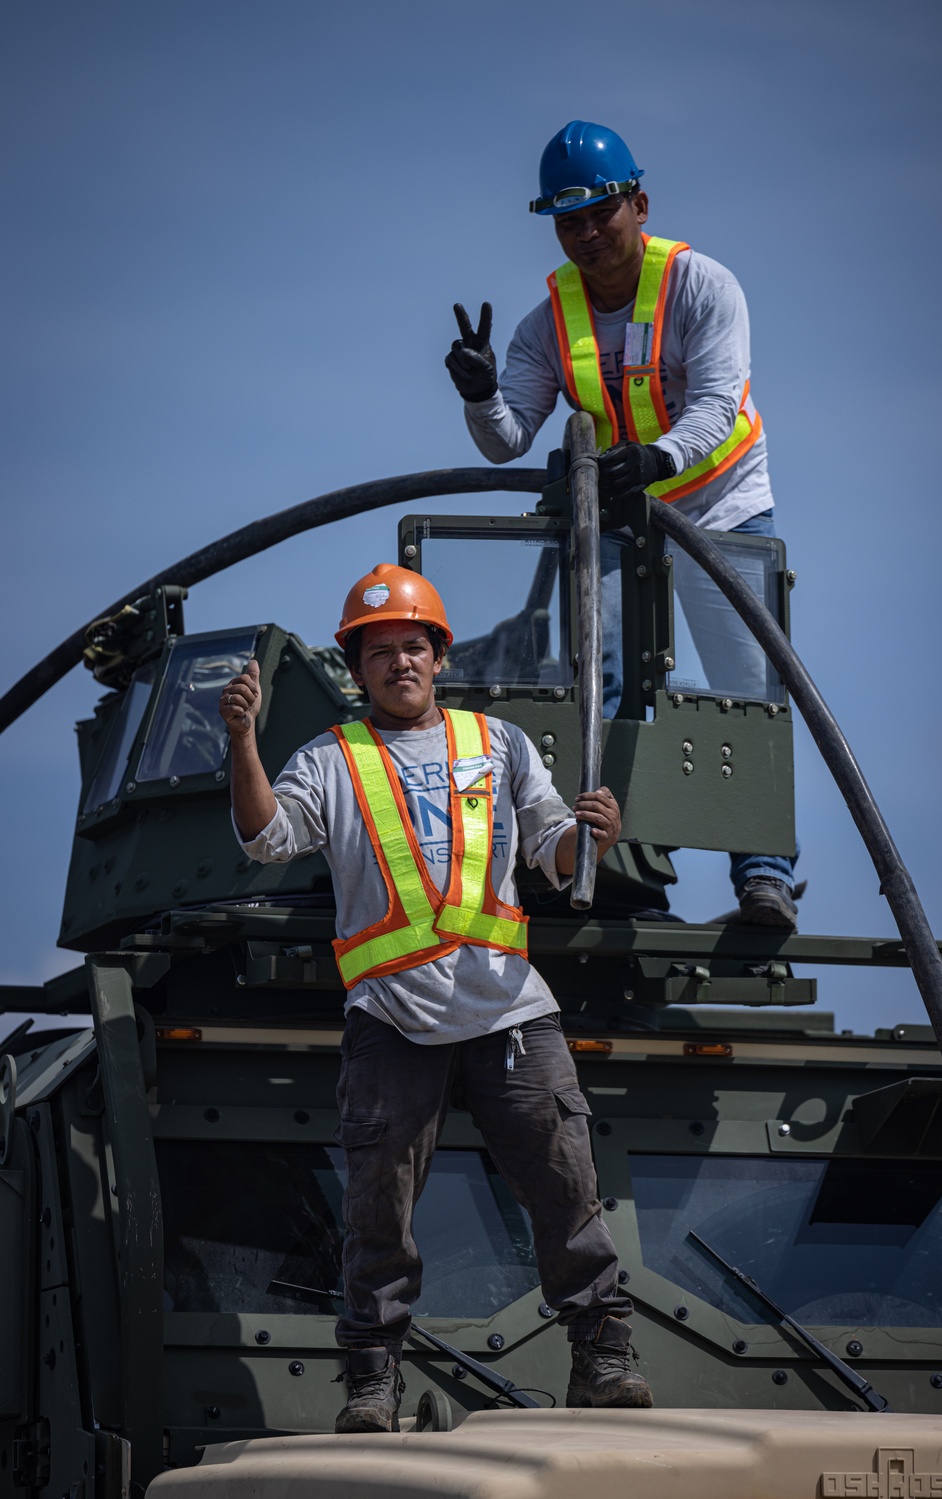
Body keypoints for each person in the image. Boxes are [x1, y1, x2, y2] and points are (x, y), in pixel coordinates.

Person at [219, 563, 653, 1431]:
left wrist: (592, 837)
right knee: (378, 1210)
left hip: (511, 1016)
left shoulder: (497, 743)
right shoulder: (331, 760)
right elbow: (267, 838)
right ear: (358, 669)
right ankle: (372, 1383)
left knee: (570, 1191)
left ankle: (605, 1358)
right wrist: (242, 743)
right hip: (390, 1022)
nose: (399, 663)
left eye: (413, 646)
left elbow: (553, 849)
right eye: (380, 652)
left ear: (439, 656)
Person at [445, 120, 798, 931]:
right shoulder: (549, 323)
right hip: (616, 519)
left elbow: (715, 407)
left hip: (723, 508)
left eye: (602, 213)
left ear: (639, 204)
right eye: (569, 222)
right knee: (594, 682)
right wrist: (479, 392)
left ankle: (765, 880)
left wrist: (655, 459)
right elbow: (508, 439)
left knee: (751, 690)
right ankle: (602, 859)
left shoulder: (704, 287)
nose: (587, 235)